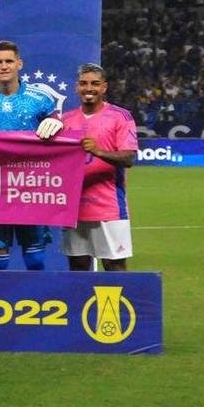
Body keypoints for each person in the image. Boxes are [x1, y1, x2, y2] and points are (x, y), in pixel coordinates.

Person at [0, 40, 65, 270]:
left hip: (30, 186)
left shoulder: (41, 98)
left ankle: (36, 302)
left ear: (19, 64)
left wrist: (56, 123)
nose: (4, 66)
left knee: (35, 258)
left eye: (9, 61)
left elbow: (59, 128)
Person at [61, 63, 137, 271]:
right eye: (84, 84)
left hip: (109, 207)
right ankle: (81, 305)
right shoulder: (65, 120)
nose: (89, 89)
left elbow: (129, 158)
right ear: (77, 87)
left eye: (95, 83)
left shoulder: (121, 116)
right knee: (77, 266)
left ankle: (114, 306)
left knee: (114, 266)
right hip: (74, 209)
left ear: (104, 87)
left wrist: (98, 151)